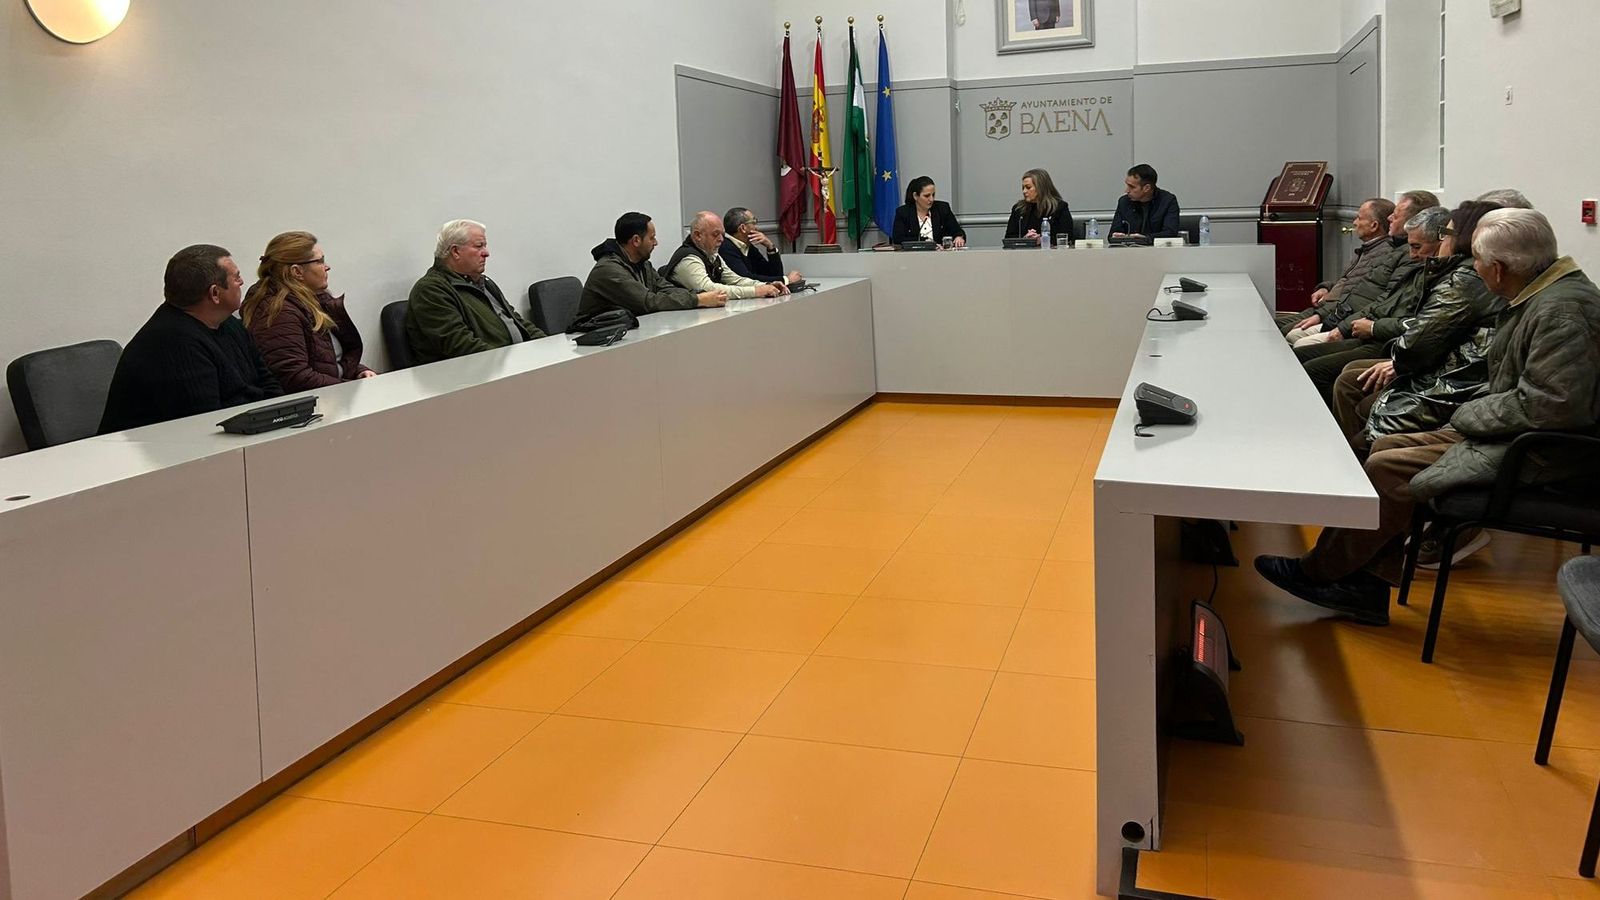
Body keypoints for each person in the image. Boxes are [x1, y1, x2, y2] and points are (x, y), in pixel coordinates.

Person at [1254, 209, 1600, 626]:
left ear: (1499, 268)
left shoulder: (1560, 312)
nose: (1473, 267)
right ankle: (1362, 582)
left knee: (1388, 464)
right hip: (1515, 432)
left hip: (1545, 451)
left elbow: (1553, 407)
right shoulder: (1539, 296)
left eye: (1476, 259)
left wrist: (1469, 412)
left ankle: (1322, 573)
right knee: (1383, 445)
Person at [1330, 202, 1502, 457]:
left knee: (1348, 385)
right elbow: (1377, 295)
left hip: (1444, 377)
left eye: (1446, 235)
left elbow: (1419, 337)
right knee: (1347, 374)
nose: (1443, 241)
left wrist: (1383, 340)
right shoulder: (1447, 269)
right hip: (1426, 359)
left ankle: (1354, 463)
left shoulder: (1463, 278)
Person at [99, 244, 282, 433]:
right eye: (236, 277)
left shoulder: (228, 323)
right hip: (163, 452)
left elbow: (268, 383)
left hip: (239, 436)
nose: (242, 282)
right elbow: (205, 423)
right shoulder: (172, 342)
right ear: (215, 293)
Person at [1293, 206, 1451, 402]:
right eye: (1411, 246)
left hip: (1387, 342)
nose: (1412, 254)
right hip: (1364, 327)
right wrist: (1348, 324)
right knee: (1299, 353)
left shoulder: (1440, 275)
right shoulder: (1419, 269)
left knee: (1317, 368)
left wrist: (1373, 327)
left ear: (1443, 241)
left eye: (1417, 247)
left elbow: (1419, 324)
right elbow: (1380, 299)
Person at [1288, 190, 1441, 345]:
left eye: (1395, 215)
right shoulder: (1392, 248)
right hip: (1343, 315)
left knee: (1296, 342)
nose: (1389, 219)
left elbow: (1383, 300)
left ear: (1413, 222)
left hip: (1360, 325)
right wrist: (1326, 288)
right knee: (1288, 334)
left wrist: (1344, 326)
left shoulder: (1404, 254)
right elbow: (1351, 283)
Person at [243, 231, 376, 392]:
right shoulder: (277, 312)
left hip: (335, 392)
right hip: (318, 403)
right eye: (320, 261)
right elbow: (294, 376)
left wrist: (359, 372)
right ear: (297, 271)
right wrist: (349, 388)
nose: (327, 267)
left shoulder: (315, 299)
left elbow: (328, 358)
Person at [405, 219, 543, 365]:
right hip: (478, 377)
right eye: (479, 246)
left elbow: (518, 322)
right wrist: (513, 364)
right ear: (456, 251)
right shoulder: (431, 290)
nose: (486, 253)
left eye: (485, 246)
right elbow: (462, 347)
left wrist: (548, 347)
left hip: (513, 366)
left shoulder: (484, 283)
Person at [1277, 198, 1396, 343]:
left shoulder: (1383, 254)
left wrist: (1321, 315)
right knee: (1274, 326)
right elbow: (1348, 281)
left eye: (1359, 218)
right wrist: (1326, 287)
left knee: (1283, 332)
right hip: (1329, 307)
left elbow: (1355, 295)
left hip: (1337, 313)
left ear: (1374, 225)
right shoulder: (1369, 249)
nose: (1354, 223)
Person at [578, 212, 726, 320]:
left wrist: (696, 295)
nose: (656, 243)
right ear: (636, 240)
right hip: (595, 338)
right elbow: (647, 302)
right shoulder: (609, 270)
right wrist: (698, 300)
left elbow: (667, 289)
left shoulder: (643, 264)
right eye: (652, 237)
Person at [665, 212, 787, 300]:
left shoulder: (711, 254)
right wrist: (756, 291)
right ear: (698, 236)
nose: (721, 239)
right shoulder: (689, 259)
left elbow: (734, 279)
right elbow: (709, 290)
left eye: (722, 234)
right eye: (715, 234)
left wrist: (765, 285)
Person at [720, 207, 802, 284]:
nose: (757, 228)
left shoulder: (748, 246)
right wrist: (786, 280)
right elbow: (745, 279)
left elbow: (772, 274)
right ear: (743, 228)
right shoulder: (725, 247)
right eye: (754, 222)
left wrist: (770, 247)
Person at [1004, 168, 1074, 246]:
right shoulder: (1018, 209)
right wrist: (1025, 239)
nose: (1024, 191)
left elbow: (1067, 237)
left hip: (1052, 255)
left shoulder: (1059, 207)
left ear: (1041, 188)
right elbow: (1009, 238)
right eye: (1023, 188)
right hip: (1024, 255)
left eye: (1028, 187)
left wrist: (1042, 240)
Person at [890, 176, 966, 247]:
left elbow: (957, 231)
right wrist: (927, 242)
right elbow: (898, 240)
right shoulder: (903, 212)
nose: (931, 199)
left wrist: (959, 237)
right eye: (927, 196)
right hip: (913, 257)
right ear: (915, 196)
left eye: (933, 195)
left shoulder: (942, 209)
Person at [1110, 164, 1180, 240]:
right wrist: (1117, 236)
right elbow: (1112, 234)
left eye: (1132, 187)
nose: (1126, 191)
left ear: (1147, 188)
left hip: (1158, 250)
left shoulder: (1167, 201)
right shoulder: (1124, 202)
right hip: (1129, 250)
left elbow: (1170, 233)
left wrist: (1146, 238)